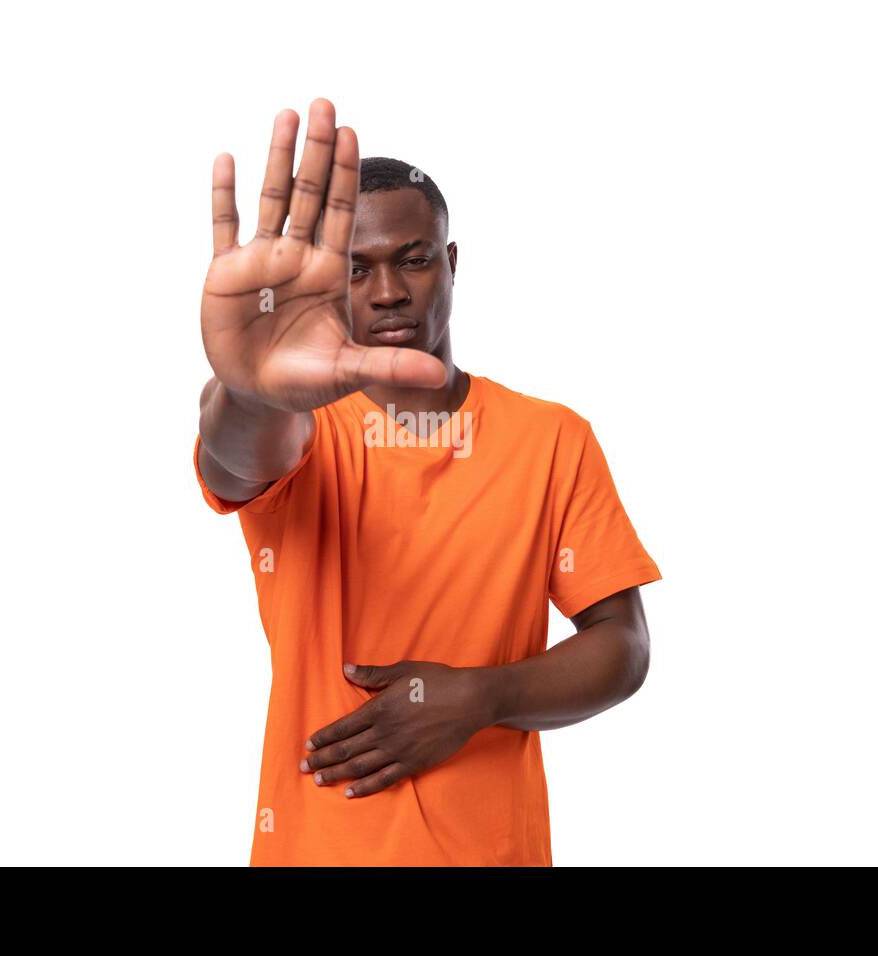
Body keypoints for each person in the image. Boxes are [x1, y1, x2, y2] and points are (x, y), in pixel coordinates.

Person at [194, 98, 661, 865]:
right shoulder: (301, 432)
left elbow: (624, 646)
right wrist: (247, 388)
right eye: (355, 268)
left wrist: (483, 698)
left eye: (411, 259)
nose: (387, 292)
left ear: (449, 263)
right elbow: (234, 459)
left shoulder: (551, 437)